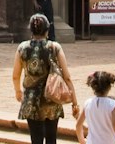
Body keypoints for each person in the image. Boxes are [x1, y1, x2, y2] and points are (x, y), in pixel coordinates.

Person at [10, 13, 74, 144]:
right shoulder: (55, 47)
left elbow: (16, 75)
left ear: (31, 30)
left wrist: (17, 91)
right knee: (51, 138)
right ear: (47, 30)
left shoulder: (23, 48)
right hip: (52, 97)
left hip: (31, 99)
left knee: (36, 138)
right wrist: (74, 101)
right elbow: (67, 77)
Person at [78, 69, 115, 144]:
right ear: (109, 87)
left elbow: (78, 124)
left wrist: (82, 141)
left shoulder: (87, 103)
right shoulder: (114, 104)